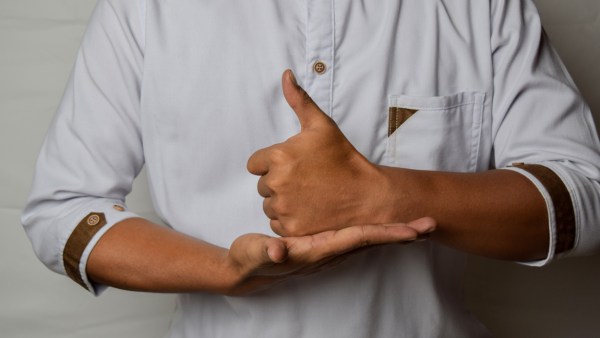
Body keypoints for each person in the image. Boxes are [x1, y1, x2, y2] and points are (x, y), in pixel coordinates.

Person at [22, 0, 600, 337]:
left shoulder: (482, 7)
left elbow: (585, 192)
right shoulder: (147, 9)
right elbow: (63, 210)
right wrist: (223, 269)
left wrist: (383, 196)